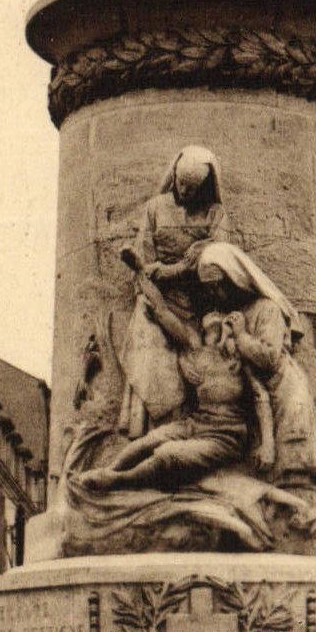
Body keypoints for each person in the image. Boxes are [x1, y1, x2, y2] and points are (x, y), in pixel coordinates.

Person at [83, 269, 249, 492]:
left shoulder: (238, 359)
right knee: (149, 440)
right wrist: (140, 272)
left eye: (220, 318)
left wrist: (267, 444)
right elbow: (161, 310)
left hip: (227, 436)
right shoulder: (196, 347)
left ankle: (119, 481)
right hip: (196, 423)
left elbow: (260, 397)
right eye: (210, 316)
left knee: (168, 453)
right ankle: (110, 470)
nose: (214, 317)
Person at [196, 241, 316, 490]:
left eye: (218, 285)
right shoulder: (233, 314)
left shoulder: (267, 309)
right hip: (257, 397)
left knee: (292, 471)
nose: (214, 293)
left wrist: (241, 336)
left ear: (234, 279)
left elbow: (270, 358)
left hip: (283, 391)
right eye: (209, 288)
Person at [117, 147, 229, 438]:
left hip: (199, 301)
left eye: (192, 188)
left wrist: (188, 262)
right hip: (157, 295)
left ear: (205, 187)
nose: (184, 191)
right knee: (150, 345)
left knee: (202, 354)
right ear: (174, 177)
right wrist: (165, 272)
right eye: (180, 183)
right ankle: (147, 431)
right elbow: (145, 261)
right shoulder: (155, 208)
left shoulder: (215, 214)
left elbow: (221, 258)